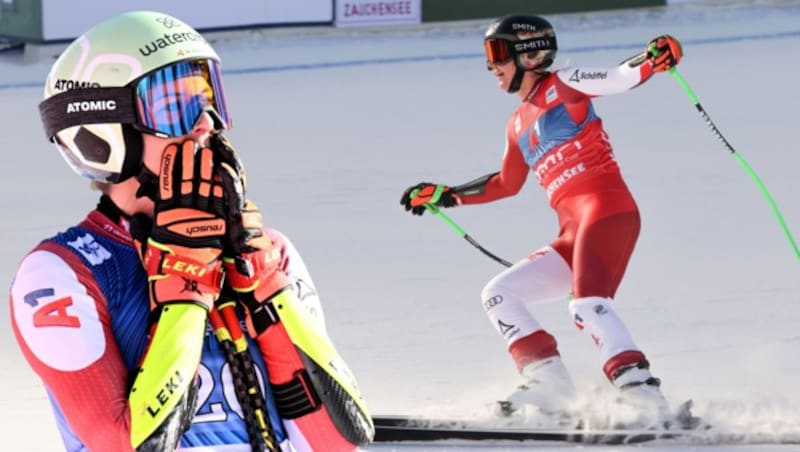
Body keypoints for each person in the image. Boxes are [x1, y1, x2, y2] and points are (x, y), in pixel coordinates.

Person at [10, 11, 373, 451]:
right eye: (173, 105)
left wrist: (270, 290)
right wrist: (186, 282)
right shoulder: (61, 274)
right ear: (106, 131)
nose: (207, 122)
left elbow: (339, 439)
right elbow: (124, 443)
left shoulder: (270, 250)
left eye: (209, 98)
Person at [400, 14, 684, 426]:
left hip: (608, 211)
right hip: (572, 231)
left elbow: (622, 76)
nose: (491, 66)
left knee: (587, 304)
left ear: (531, 53)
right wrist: (448, 195)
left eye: (498, 53)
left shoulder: (566, 84)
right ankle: (549, 385)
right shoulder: (517, 124)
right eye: (487, 55)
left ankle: (642, 394)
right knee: (500, 295)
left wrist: (653, 58)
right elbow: (505, 182)